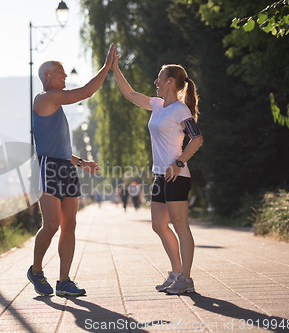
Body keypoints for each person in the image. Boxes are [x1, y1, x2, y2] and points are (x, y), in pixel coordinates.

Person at [27, 44, 116, 297]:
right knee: (52, 224)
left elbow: (59, 147)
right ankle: (36, 270)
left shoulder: (56, 105)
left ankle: (64, 280)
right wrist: (107, 67)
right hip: (49, 168)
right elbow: (87, 91)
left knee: (70, 224)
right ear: (47, 76)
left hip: (66, 167)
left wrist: (81, 162)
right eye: (60, 73)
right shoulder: (46, 99)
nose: (65, 77)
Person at [112, 51, 204, 295]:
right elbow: (130, 94)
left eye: (159, 78)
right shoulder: (157, 104)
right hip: (159, 175)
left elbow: (197, 139)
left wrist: (179, 163)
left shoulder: (181, 111)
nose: (156, 82)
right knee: (158, 225)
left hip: (176, 176)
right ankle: (176, 273)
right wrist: (115, 69)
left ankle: (186, 278)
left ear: (170, 81)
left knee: (180, 226)